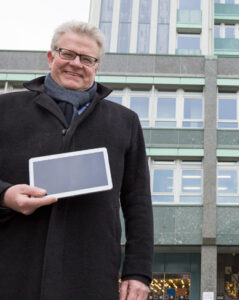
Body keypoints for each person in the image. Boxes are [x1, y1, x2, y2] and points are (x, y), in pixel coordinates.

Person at [0, 21, 153, 300]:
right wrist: (5, 194)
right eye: (67, 54)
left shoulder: (124, 122)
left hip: (90, 272)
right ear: (51, 57)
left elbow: (138, 200)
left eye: (86, 59)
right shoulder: (5, 109)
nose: (76, 64)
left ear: (97, 67)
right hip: (14, 267)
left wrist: (138, 271)